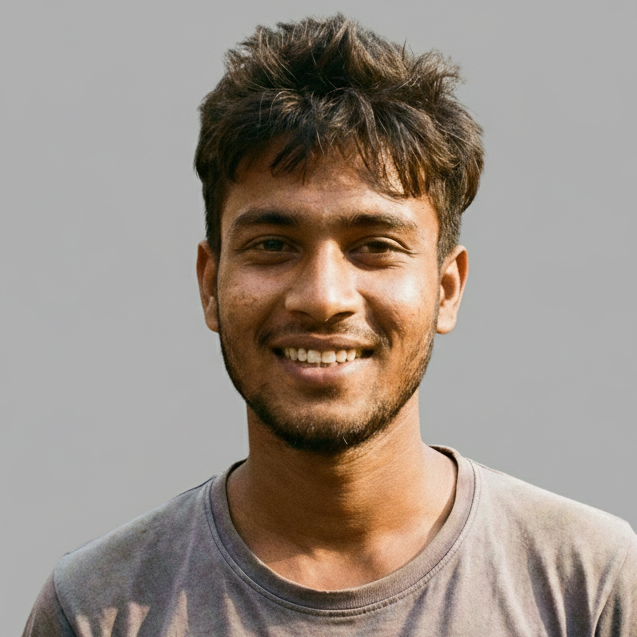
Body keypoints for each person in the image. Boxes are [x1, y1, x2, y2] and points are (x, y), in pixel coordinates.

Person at [22, 14, 636, 636]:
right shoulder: (95, 609)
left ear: (446, 289)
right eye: (272, 245)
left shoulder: (591, 587)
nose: (322, 299)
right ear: (210, 284)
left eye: (375, 246)